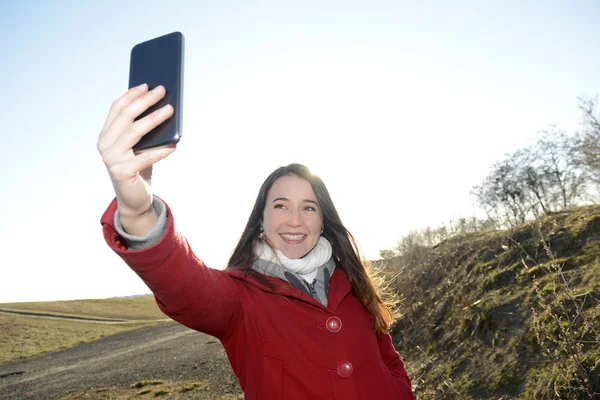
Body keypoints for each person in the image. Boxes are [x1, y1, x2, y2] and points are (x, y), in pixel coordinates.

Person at [97, 84, 415, 400]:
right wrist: (138, 211)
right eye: (280, 206)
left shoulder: (354, 283)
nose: (295, 219)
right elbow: (185, 285)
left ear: (323, 220)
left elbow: (388, 360)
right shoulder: (239, 297)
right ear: (261, 219)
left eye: (309, 207)